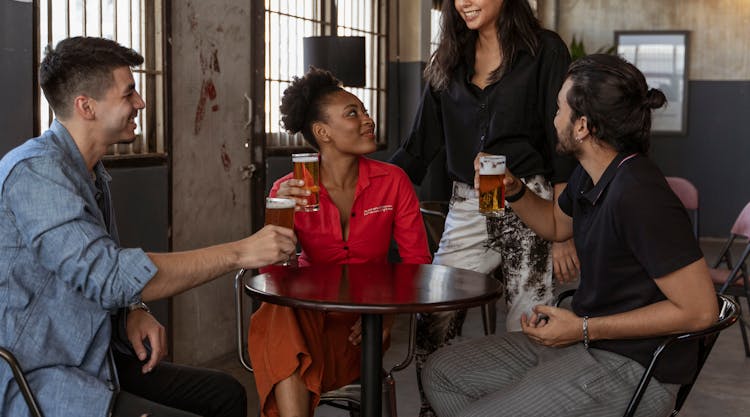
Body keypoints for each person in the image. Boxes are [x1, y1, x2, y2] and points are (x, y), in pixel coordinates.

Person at [0, 36, 297, 417]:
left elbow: (94, 273)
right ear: (86, 107)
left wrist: (133, 309)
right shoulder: (36, 173)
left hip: (96, 356)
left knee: (224, 394)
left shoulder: (89, 173)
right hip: (40, 376)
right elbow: (107, 275)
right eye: (129, 94)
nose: (140, 102)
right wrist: (240, 251)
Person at [421, 54, 719, 417]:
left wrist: (582, 328)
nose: (553, 117)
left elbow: (701, 311)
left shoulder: (640, 195)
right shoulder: (591, 172)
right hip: (588, 342)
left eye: (560, 108)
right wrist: (513, 189)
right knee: (442, 372)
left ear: (582, 126)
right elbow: (555, 225)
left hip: (635, 368)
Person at [389, 1, 579, 414]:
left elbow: (562, 143)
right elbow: (419, 146)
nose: (464, 1)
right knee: (435, 313)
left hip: (531, 196)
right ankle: (434, 408)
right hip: (469, 203)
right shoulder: (449, 59)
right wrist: (362, 184)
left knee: (528, 321)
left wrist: (562, 231)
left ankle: (519, 407)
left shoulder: (545, 50)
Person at [248, 68, 431, 417]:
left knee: (282, 331)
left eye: (364, 111)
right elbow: (271, 276)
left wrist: (387, 319)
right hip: (304, 317)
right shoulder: (290, 190)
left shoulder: (393, 182)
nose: (367, 120)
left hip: (362, 329)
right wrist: (280, 218)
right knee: (279, 314)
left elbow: (416, 263)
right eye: (353, 113)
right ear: (322, 132)